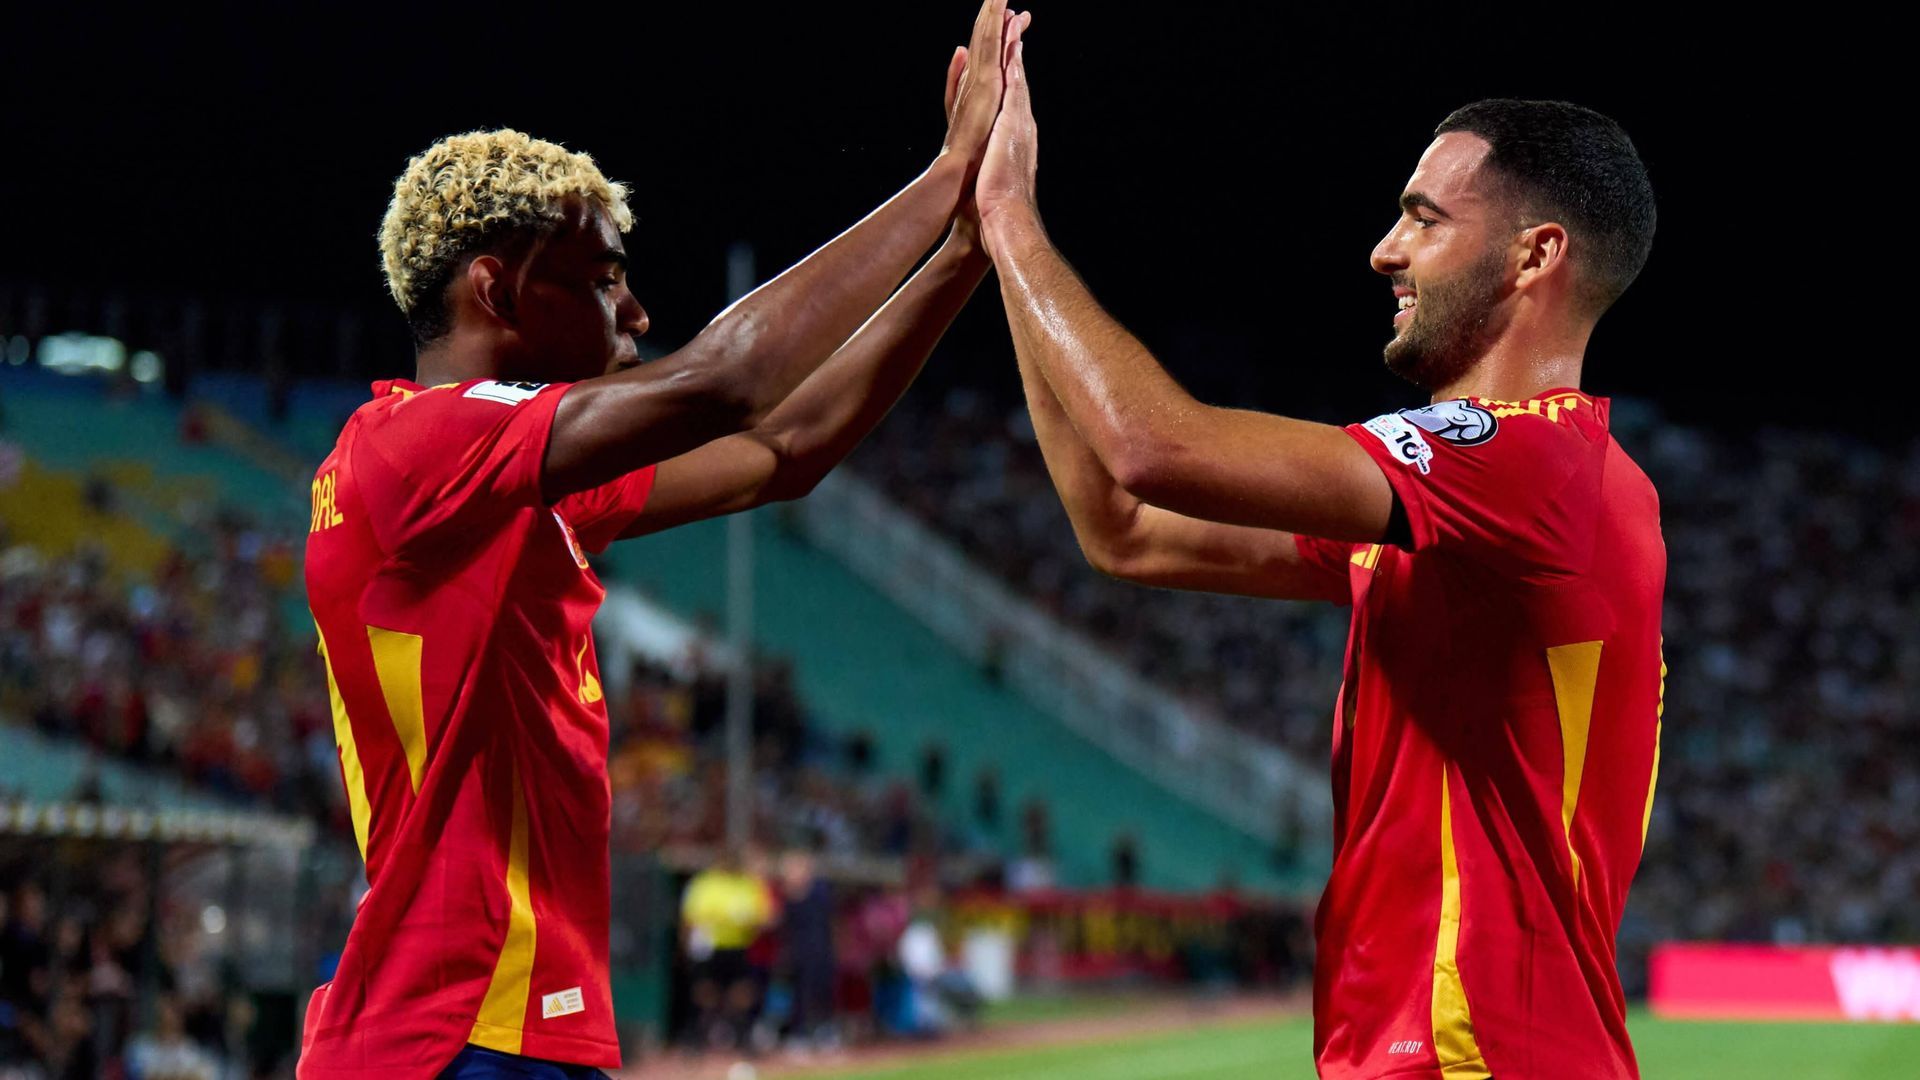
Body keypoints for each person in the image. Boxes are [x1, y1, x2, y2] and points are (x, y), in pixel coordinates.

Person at [298, 4, 1031, 1076]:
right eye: (601, 278)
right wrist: (942, 175)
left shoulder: (499, 489)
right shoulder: (412, 446)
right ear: (497, 287)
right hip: (451, 1033)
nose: (634, 309)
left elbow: (786, 449)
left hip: (497, 1024)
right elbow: (727, 383)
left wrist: (968, 246)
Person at [977, 44, 1663, 1080]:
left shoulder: (1529, 464)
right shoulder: (1488, 506)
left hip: (1479, 1052)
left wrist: (1011, 215)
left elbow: (1155, 447)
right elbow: (1125, 527)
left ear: (1534, 256)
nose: (1385, 250)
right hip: (1438, 1046)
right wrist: (1001, 256)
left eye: (1425, 218)